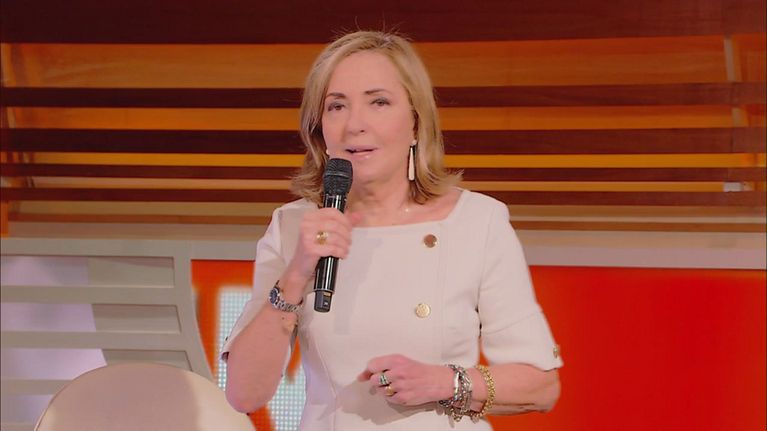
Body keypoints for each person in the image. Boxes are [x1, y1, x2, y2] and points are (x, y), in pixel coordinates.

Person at [223, 30, 562, 430]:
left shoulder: (477, 221)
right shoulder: (293, 226)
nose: (355, 125)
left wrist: (444, 382)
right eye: (336, 106)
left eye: (379, 102)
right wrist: (296, 274)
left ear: (416, 123)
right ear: (320, 130)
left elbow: (541, 386)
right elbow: (244, 394)